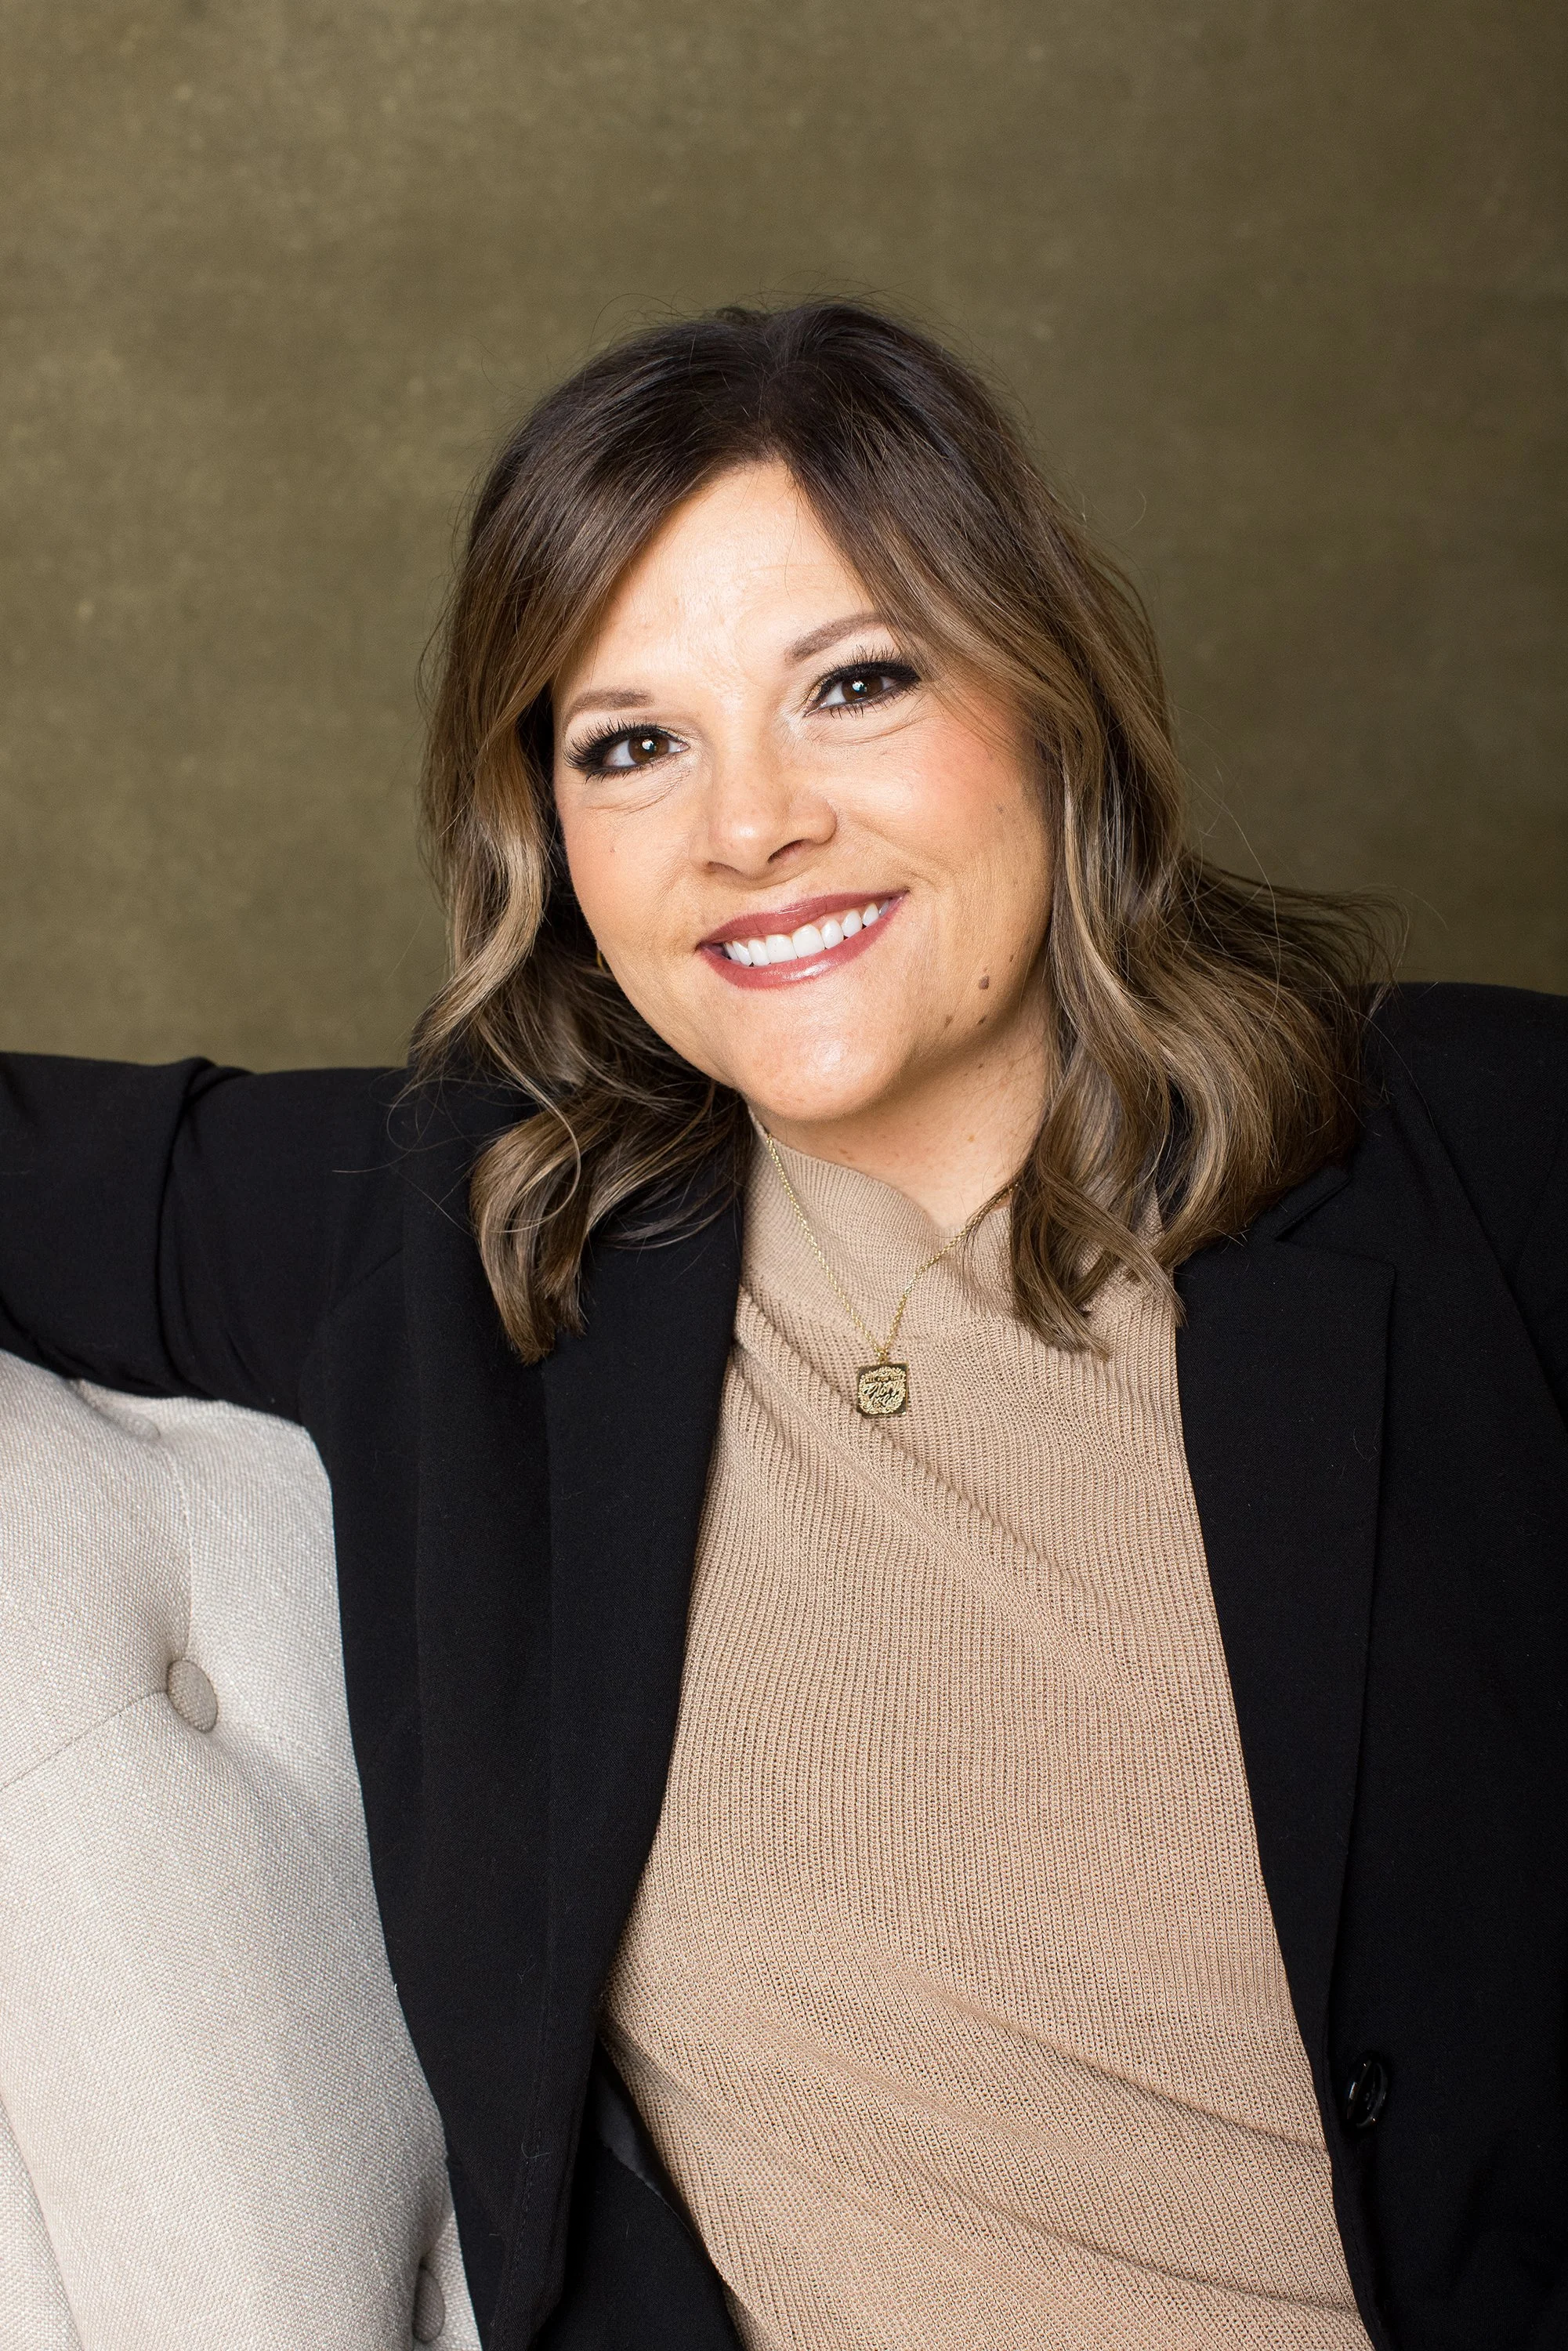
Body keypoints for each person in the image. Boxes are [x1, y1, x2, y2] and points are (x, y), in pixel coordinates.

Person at [0, 300, 1563, 2351]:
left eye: (854, 684)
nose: (749, 828)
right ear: (551, 834)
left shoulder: (1491, 1158)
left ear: (1048, 698)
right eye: (631, 744)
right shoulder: (478, 1234)